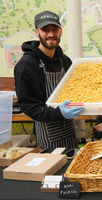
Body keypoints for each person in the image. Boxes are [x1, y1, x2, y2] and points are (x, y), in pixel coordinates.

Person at [14, 11, 84, 149]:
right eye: (45, 30)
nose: (51, 34)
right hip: (47, 134)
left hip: (68, 130)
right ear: (36, 32)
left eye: (54, 29)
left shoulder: (65, 60)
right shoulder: (26, 65)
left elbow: (74, 89)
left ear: (61, 31)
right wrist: (59, 112)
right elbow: (29, 106)